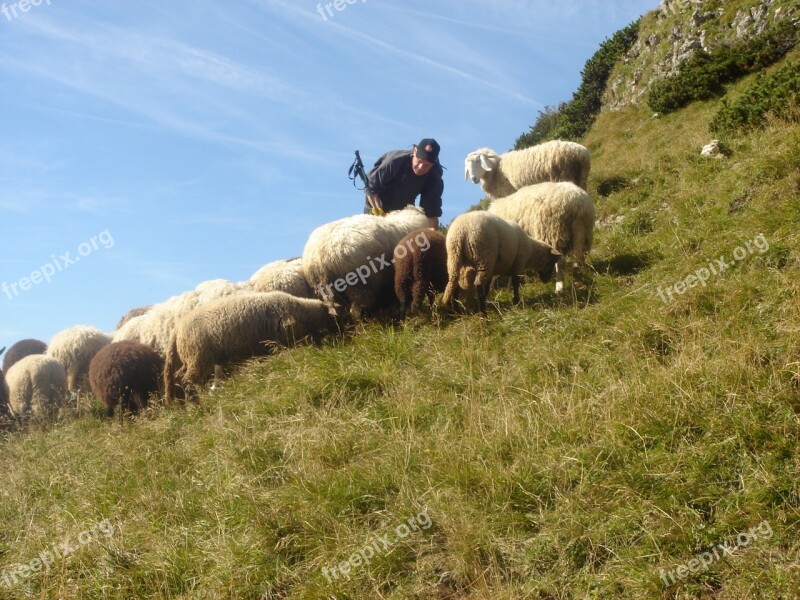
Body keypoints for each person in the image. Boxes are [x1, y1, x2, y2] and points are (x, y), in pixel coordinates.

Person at [364, 138, 443, 230]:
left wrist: (434, 238)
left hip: (402, 213)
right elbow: (371, 186)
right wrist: (379, 212)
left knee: (403, 241)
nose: (421, 167)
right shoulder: (394, 161)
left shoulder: (434, 176)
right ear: (414, 152)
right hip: (377, 206)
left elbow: (431, 211)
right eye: (419, 161)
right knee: (375, 237)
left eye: (427, 165)